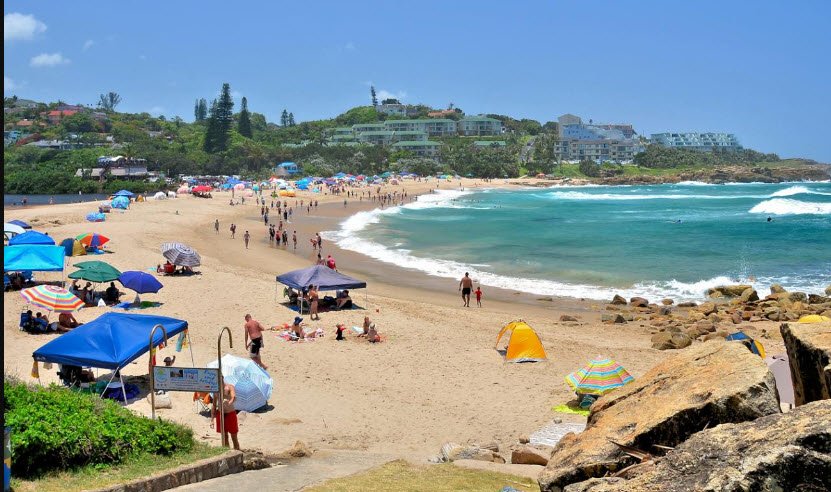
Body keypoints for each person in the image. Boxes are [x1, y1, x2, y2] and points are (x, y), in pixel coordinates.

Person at [212, 382, 240, 450]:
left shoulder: (229, 387)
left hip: (230, 413)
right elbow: (214, 405)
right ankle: (226, 453)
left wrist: (229, 402)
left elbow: (233, 397)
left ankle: (237, 451)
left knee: (234, 436)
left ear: (222, 378)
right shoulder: (215, 389)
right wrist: (212, 419)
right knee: (224, 436)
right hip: (221, 414)